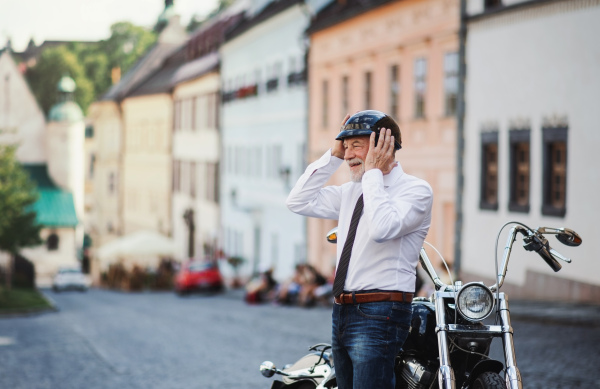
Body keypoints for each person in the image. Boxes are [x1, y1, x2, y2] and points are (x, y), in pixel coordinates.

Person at [286, 110, 433, 389]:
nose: (348, 153)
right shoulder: (351, 191)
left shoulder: (416, 190)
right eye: (345, 144)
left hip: (381, 312)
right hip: (342, 311)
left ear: (383, 145)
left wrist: (374, 171)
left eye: (356, 144)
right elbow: (298, 201)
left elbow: (381, 228)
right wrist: (332, 156)